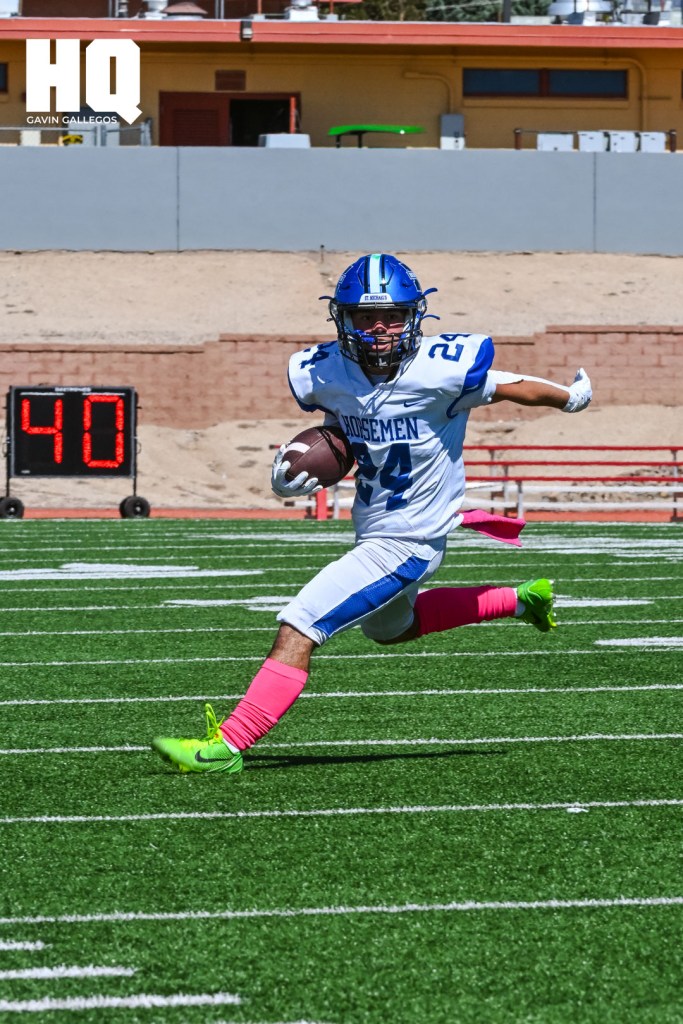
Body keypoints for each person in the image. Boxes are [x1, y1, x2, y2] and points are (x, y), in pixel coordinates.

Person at [152, 253, 592, 775]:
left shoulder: (444, 368)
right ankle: (520, 601)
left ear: (414, 318)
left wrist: (570, 397)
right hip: (376, 528)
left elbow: (514, 386)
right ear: (344, 318)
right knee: (391, 630)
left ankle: (226, 746)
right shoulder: (327, 373)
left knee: (300, 623)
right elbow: (342, 423)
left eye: (392, 316)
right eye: (364, 316)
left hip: (410, 540)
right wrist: (298, 465)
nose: (379, 327)